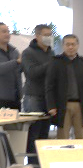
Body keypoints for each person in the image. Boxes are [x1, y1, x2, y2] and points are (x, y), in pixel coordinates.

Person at [45, 34, 83, 139]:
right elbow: (49, 86)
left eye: (73, 44)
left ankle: (81, 151)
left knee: (81, 135)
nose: (70, 47)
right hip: (62, 105)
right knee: (63, 136)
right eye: (67, 44)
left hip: (80, 105)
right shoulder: (56, 62)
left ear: (78, 45)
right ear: (63, 46)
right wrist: (51, 105)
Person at [22, 24, 55, 157]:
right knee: (34, 133)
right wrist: (50, 65)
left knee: (44, 134)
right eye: (46, 35)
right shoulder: (28, 53)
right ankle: (32, 165)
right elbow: (31, 73)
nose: (49, 38)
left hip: (48, 98)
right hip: (33, 97)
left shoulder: (51, 53)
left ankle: (42, 163)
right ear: (37, 36)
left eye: (50, 35)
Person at [0, 22, 22, 110]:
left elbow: (19, 71)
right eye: (4, 32)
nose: (7, 34)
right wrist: (16, 62)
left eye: (8, 31)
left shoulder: (14, 51)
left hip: (15, 98)